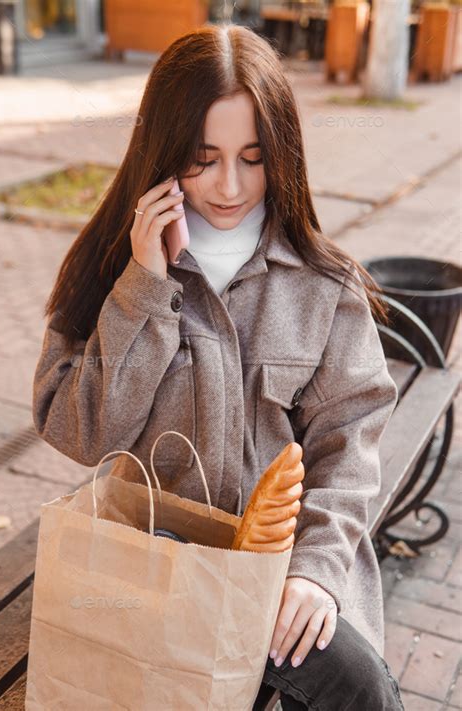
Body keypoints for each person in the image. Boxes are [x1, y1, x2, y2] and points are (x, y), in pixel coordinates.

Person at [31, 23, 404, 710]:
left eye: (253, 157)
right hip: (150, 567)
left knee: (363, 688)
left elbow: (348, 444)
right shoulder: (109, 267)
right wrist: (143, 286)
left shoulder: (325, 284)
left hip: (275, 579)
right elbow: (80, 433)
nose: (230, 186)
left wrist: (318, 572)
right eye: (202, 159)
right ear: (164, 152)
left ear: (281, 156)